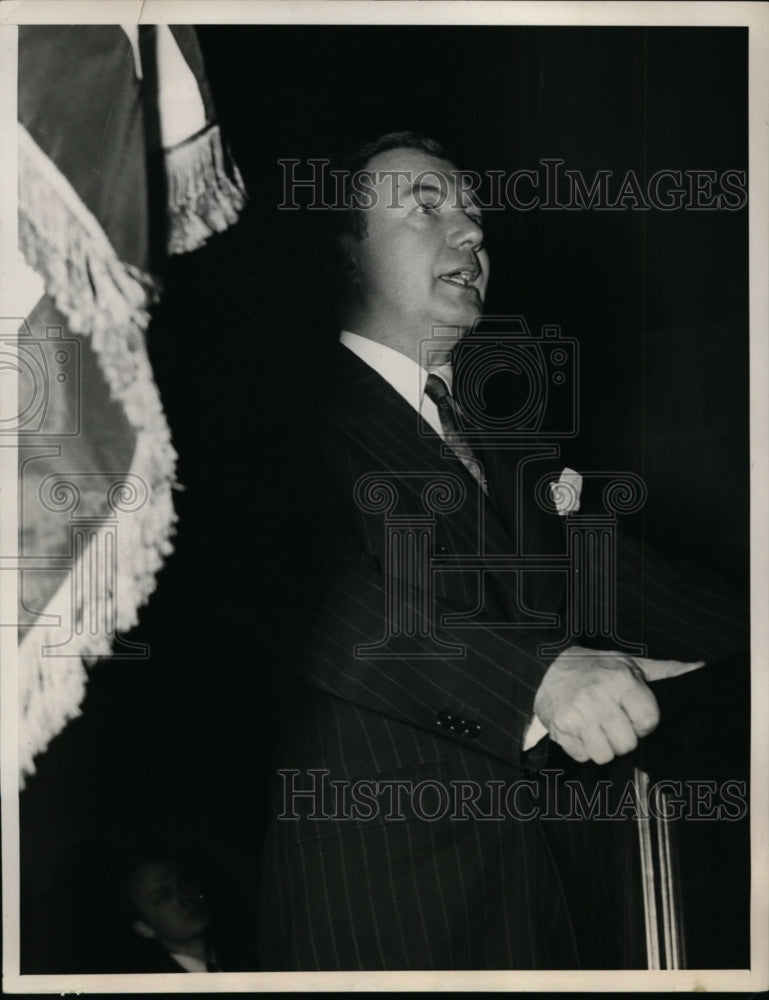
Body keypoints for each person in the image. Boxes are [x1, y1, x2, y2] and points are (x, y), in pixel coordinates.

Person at [257, 132, 747, 970]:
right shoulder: (270, 417)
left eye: (475, 215)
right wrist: (539, 674)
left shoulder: (505, 436)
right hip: (390, 914)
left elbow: (629, 583)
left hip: (559, 904)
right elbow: (320, 601)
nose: (474, 233)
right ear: (344, 253)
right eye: (426, 209)